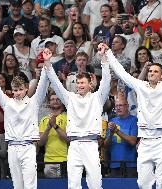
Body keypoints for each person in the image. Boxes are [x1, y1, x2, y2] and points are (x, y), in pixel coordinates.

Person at [98, 33, 162, 189]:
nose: (151, 73)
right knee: (143, 183)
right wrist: (109, 53)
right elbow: (122, 73)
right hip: (145, 142)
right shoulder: (141, 87)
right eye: (150, 71)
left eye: (155, 71)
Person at [44, 45, 111, 189]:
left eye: (82, 83)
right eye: (77, 83)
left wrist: (104, 58)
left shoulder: (97, 98)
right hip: (73, 145)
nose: (79, 85)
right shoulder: (70, 98)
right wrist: (48, 62)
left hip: (91, 144)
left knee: (95, 184)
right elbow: (55, 83)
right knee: (73, 185)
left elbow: (106, 81)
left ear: (90, 84)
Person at [0, 48, 49, 189]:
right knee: (17, 186)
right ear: (12, 90)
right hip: (12, 148)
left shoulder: (33, 102)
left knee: (30, 185)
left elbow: (42, 86)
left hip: (28, 147)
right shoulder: (7, 103)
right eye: (15, 90)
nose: (18, 93)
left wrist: (46, 62)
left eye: (20, 90)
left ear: (26, 89)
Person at [104, 96, 138, 177]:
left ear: (127, 106)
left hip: (130, 164)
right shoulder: (112, 121)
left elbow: (133, 141)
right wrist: (111, 133)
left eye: (121, 105)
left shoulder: (134, 120)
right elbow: (105, 145)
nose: (118, 108)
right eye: (116, 106)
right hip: (114, 163)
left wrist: (116, 131)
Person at [39, 91, 68, 178]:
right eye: (52, 99)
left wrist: (55, 126)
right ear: (49, 103)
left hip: (65, 160)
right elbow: (40, 143)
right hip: (48, 161)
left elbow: (69, 139)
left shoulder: (68, 118)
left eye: (58, 99)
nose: (55, 101)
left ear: (61, 101)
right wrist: (48, 127)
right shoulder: (44, 120)